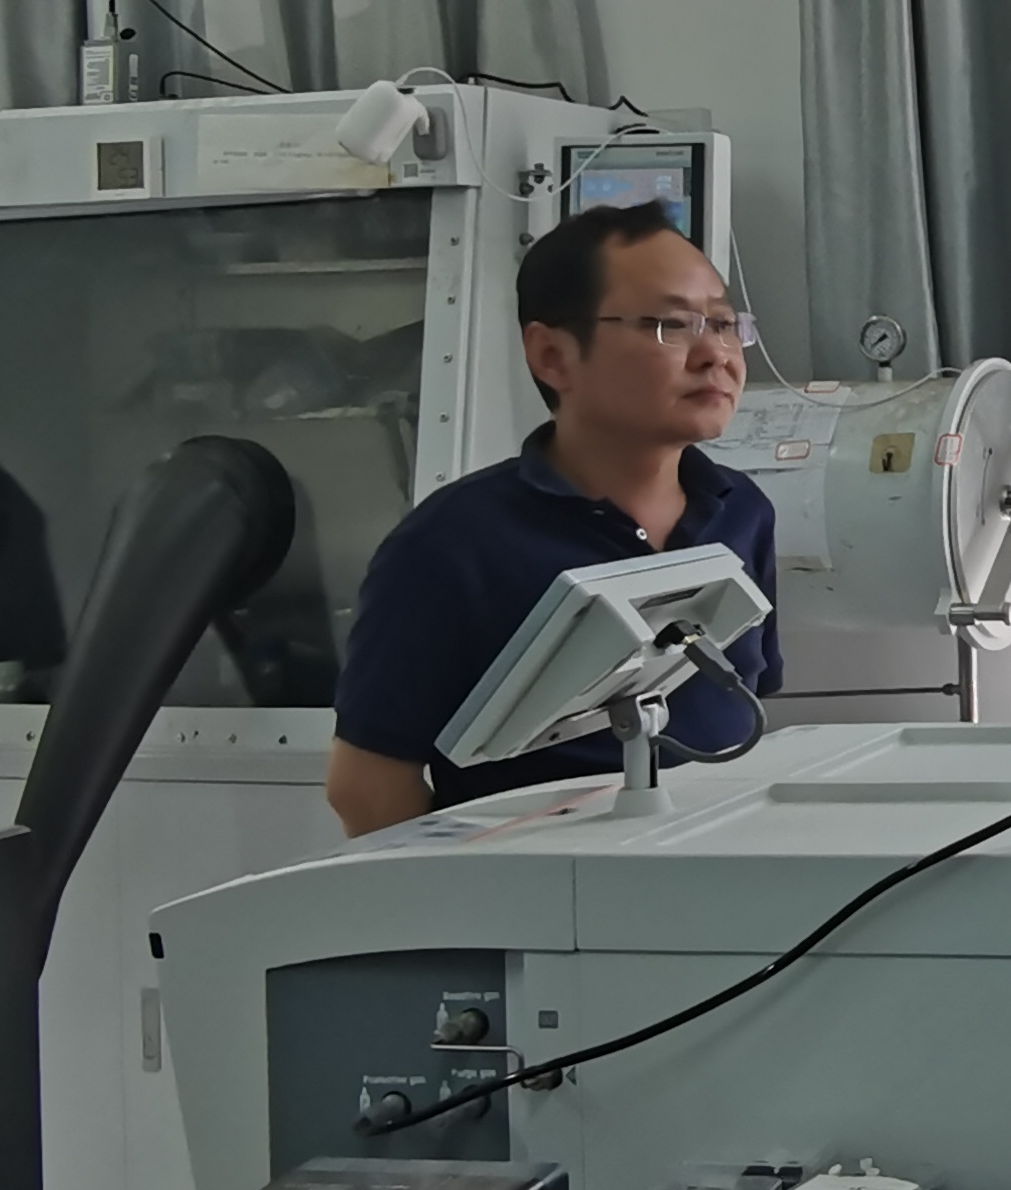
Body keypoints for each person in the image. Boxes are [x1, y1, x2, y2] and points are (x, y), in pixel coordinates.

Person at [324, 204, 782, 834]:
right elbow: (366, 789)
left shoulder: (743, 513)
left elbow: (746, 716)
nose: (716, 354)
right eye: (671, 324)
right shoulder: (453, 545)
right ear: (552, 355)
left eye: (726, 324)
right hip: (544, 890)